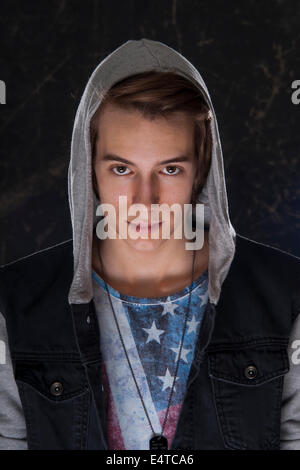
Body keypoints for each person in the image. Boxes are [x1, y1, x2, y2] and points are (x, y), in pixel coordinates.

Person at [0, 38, 299, 450]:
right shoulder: (13, 304)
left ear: (202, 168)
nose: (145, 200)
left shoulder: (287, 297)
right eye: (122, 168)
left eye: (170, 168)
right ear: (89, 169)